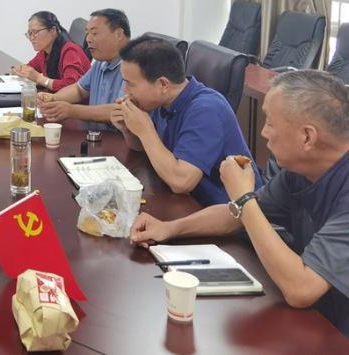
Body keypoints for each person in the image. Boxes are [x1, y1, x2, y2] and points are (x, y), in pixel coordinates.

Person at [130, 70, 349, 337]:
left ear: (307, 137)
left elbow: (301, 290)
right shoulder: (299, 171)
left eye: (270, 123)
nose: (263, 132)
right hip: (318, 322)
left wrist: (244, 197)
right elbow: (236, 216)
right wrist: (170, 228)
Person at [110, 35, 260, 206]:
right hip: (188, 202)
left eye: (131, 84)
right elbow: (146, 149)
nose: (125, 90)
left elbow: (181, 182)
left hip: (231, 212)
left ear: (163, 84)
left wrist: (145, 130)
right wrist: (128, 129)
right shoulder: (160, 101)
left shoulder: (206, 110)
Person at [38, 8, 130, 123]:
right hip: (95, 130)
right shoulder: (101, 62)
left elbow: (121, 111)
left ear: (119, 34)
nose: (88, 40)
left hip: (116, 134)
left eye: (95, 33)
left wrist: (72, 111)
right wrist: (53, 98)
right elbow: (79, 90)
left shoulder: (134, 66)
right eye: (87, 34)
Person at [12, 11, 90, 93]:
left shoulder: (70, 51)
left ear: (53, 31)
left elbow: (70, 85)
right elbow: (31, 67)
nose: (31, 38)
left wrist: (39, 78)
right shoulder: (45, 51)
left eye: (35, 32)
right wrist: (21, 70)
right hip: (56, 97)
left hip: (74, 101)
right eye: (29, 33)